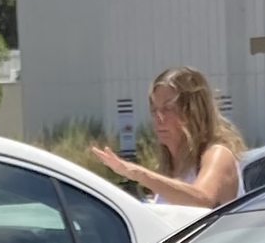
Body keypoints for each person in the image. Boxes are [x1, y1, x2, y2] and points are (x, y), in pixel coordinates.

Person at [94, 66, 241, 209]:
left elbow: (202, 199)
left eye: (168, 109)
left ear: (194, 112)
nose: (159, 118)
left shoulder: (217, 154)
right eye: (154, 110)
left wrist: (138, 173)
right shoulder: (167, 167)